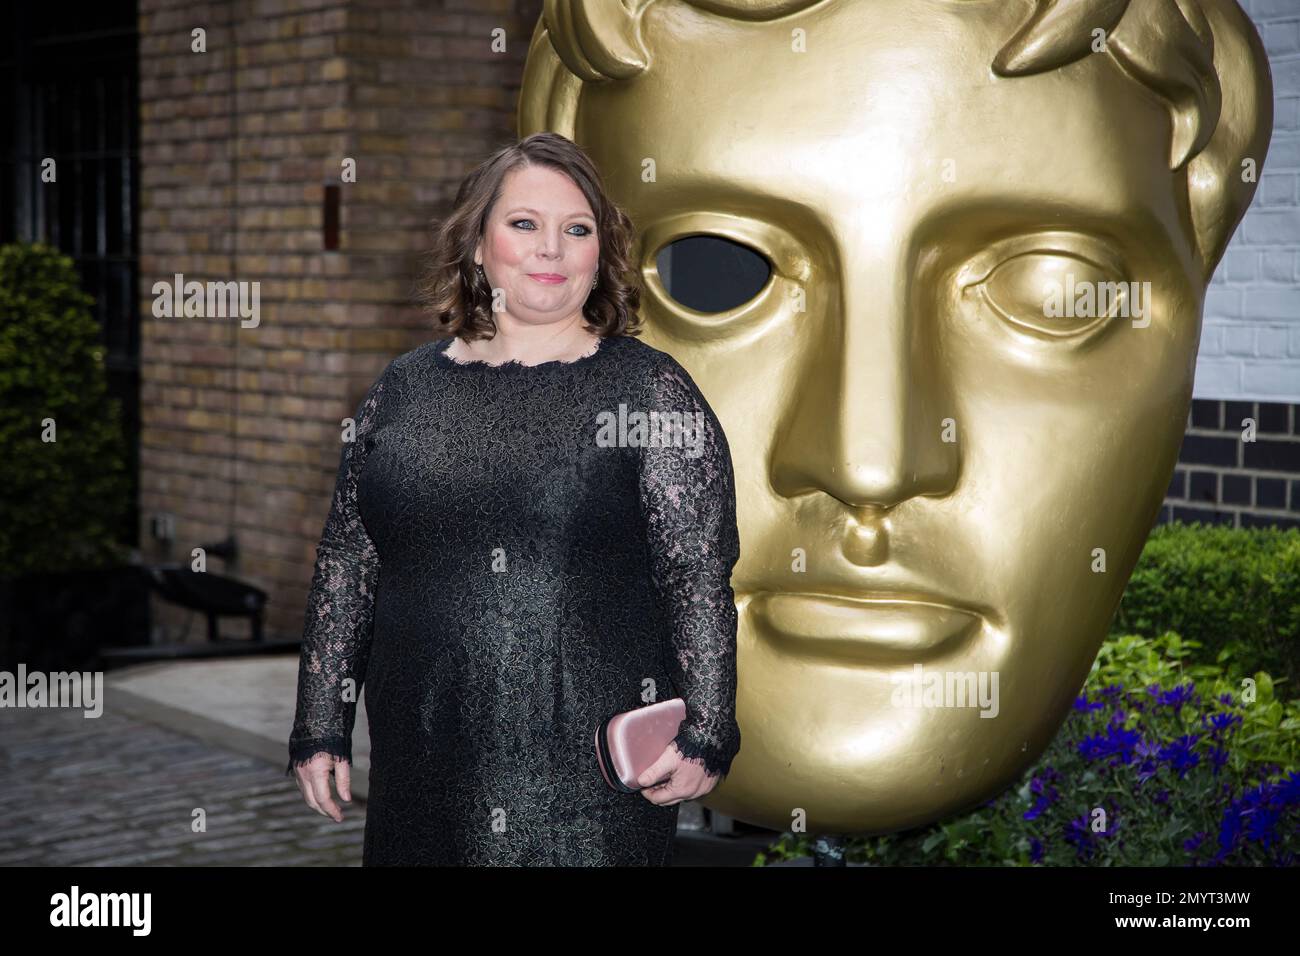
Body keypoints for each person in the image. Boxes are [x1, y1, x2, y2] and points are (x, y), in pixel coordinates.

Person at [285, 131, 742, 866]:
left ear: (602, 252)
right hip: (419, 758)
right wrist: (320, 724)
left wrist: (710, 731)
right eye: (525, 224)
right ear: (477, 244)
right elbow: (348, 562)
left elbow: (697, 576)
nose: (552, 250)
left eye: (577, 229)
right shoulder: (403, 389)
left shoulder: (650, 392)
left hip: (582, 785)